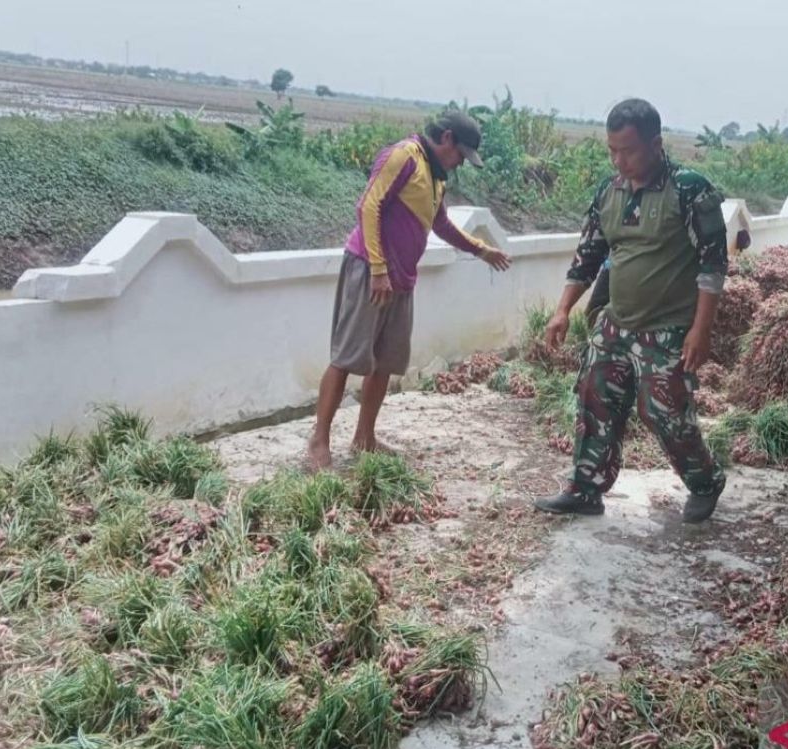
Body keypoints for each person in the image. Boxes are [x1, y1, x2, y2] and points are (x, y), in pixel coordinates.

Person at [534, 98, 729, 524]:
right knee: (594, 397)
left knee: (663, 412)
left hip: (669, 330)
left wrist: (701, 330)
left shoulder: (690, 189)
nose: (619, 160)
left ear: (656, 145)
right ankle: (586, 488)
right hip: (615, 323)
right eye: (612, 150)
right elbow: (588, 255)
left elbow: (714, 265)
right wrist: (563, 309)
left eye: (629, 150)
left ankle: (704, 481)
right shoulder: (610, 191)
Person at [307, 111, 512, 470]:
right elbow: (368, 207)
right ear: (446, 138)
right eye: (460, 155)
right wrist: (378, 269)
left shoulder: (435, 177)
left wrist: (481, 249)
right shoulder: (403, 156)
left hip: (401, 279)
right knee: (346, 357)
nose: (460, 163)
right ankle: (319, 440)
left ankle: (364, 438)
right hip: (371, 272)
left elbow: (441, 225)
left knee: (385, 361)